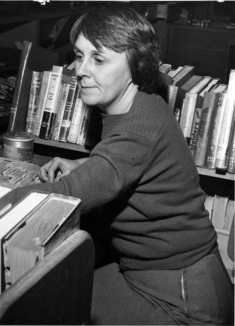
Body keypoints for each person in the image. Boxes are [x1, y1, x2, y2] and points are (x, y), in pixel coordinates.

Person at [15, 3, 234, 325]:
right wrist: (89, 165)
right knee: (53, 294)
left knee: (47, 308)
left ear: (136, 63)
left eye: (99, 59)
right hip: (150, 272)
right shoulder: (139, 105)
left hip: (184, 298)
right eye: (79, 56)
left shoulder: (138, 126)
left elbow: (69, 193)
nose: (80, 70)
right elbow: (125, 163)